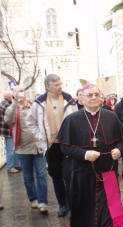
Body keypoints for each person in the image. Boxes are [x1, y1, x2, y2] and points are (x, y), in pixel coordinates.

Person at [57, 84, 123, 227]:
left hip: (108, 171)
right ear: (81, 98)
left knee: (110, 208)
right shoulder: (72, 120)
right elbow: (65, 148)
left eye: (96, 94)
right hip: (83, 172)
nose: (93, 97)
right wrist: (84, 154)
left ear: (101, 98)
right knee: (86, 206)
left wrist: (119, 151)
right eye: (89, 95)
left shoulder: (111, 116)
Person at [27, 74, 77, 217]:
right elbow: (30, 123)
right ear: (48, 86)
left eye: (60, 84)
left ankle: (73, 204)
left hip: (67, 143)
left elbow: (76, 120)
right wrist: (40, 136)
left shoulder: (69, 100)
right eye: (56, 85)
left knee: (70, 174)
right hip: (51, 145)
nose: (60, 87)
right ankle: (62, 204)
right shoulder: (39, 103)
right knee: (56, 176)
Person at [4, 86, 48, 214]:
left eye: (22, 90)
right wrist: (15, 103)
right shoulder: (12, 109)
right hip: (22, 149)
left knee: (41, 175)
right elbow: (8, 120)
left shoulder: (33, 105)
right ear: (14, 94)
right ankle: (33, 198)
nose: (21, 93)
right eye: (18, 91)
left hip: (38, 147)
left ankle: (43, 202)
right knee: (28, 177)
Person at [0, 90, 21, 174]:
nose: (13, 98)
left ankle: (15, 165)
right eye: (12, 97)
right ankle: (10, 167)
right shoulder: (8, 105)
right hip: (9, 130)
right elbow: (12, 119)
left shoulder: (2, 103)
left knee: (11, 149)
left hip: (5, 131)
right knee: (11, 149)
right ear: (9, 97)